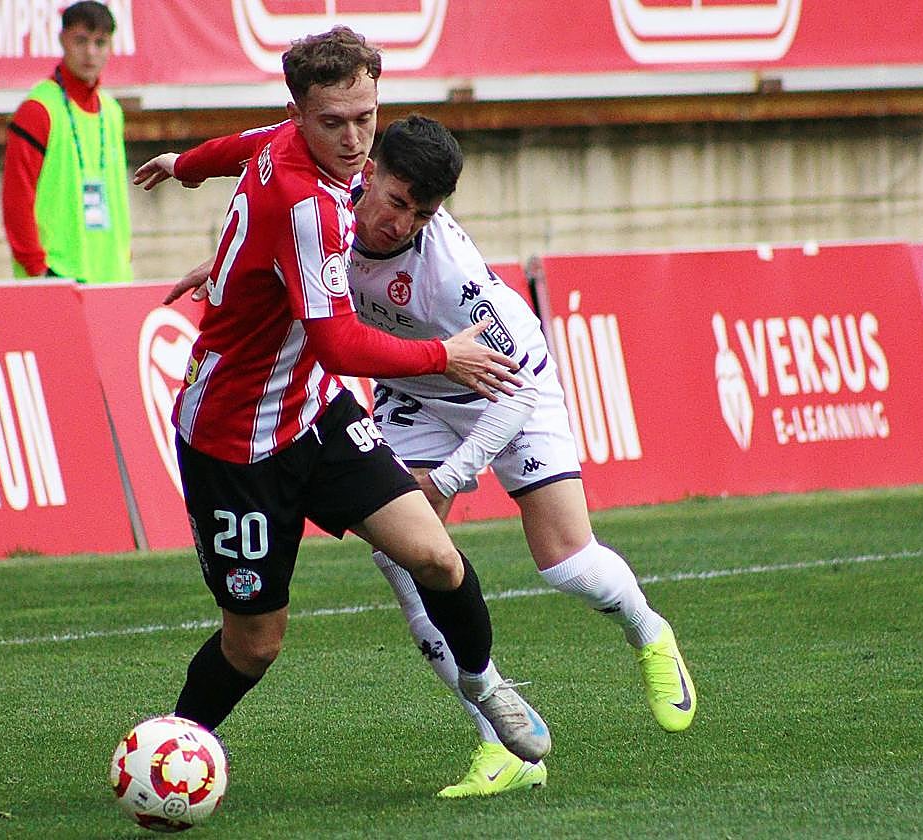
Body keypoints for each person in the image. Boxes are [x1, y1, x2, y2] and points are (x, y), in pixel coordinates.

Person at [165, 115, 698, 799]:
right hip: (413, 386)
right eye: (395, 202)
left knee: (565, 560)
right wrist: (222, 249)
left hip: (504, 387)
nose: (400, 223)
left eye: (421, 213)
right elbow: (271, 192)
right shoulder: (334, 194)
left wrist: (451, 475)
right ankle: (498, 742)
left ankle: (648, 631)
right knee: (406, 557)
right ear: (372, 174)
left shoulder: (451, 276)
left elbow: (517, 391)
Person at [131, 27, 552, 769]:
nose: (356, 138)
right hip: (235, 437)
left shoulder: (298, 146)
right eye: (334, 122)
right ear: (300, 114)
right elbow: (338, 343)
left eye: (367, 116)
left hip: (313, 412)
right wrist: (442, 356)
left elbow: (239, 144)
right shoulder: (308, 208)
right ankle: (171, 751)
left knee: (437, 558)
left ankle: (485, 687)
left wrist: (185, 165)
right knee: (255, 645)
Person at [2, 1, 132, 285]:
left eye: (100, 43)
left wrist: (125, 257)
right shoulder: (38, 110)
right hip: (55, 276)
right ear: (62, 40)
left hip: (111, 276)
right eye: (81, 41)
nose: (90, 52)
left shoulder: (112, 111)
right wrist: (37, 268)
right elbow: (16, 198)